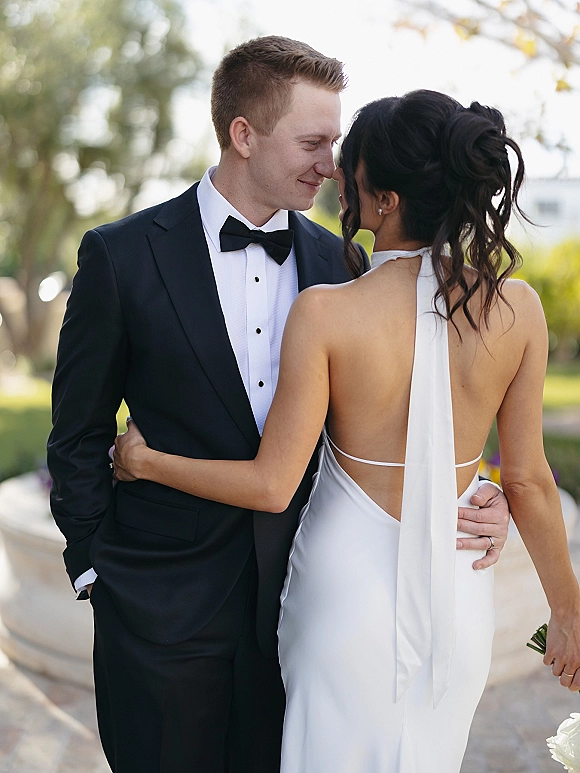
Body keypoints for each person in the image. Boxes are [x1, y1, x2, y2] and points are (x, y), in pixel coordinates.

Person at [48, 36, 509, 773]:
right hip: (160, 609)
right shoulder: (122, 255)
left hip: (307, 608)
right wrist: (95, 569)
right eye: (313, 140)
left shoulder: (344, 263)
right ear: (243, 134)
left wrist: (482, 489)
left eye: (335, 140)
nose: (332, 164)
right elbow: (74, 431)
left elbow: (405, 413)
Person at [114, 89, 580, 773]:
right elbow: (530, 480)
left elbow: (272, 485)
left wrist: (145, 461)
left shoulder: (326, 312)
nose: (337, 177)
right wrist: (568, 612)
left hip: (342, 592)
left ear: (385, 199)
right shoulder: (518, 308)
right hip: (458, 588)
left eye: (351, 170)